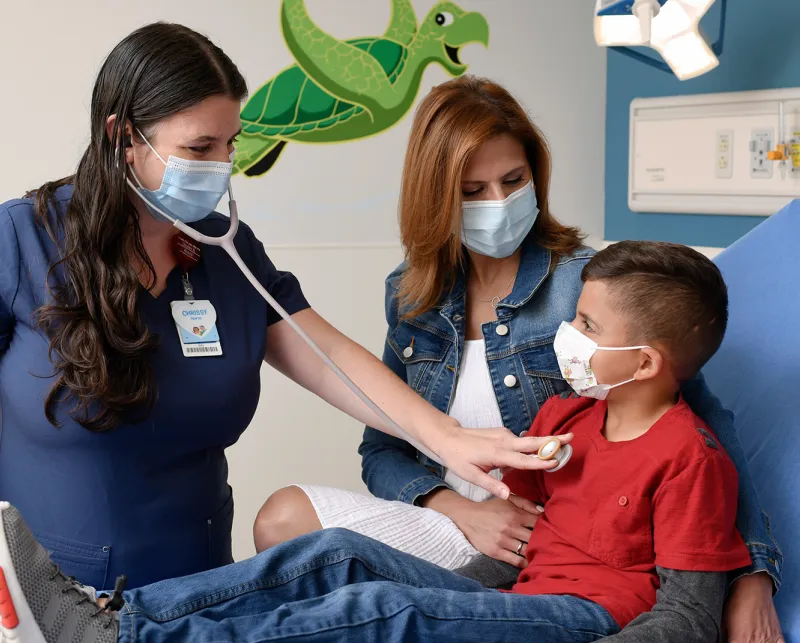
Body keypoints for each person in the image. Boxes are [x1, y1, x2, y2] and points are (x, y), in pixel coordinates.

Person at [2, 240, 792, 643]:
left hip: (591, 618)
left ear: (648, 362)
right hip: (519, 591)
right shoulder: (569, 416)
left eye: (586, 325)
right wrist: (471, 576)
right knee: (342, 556)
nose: (568, 338)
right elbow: (522, 538)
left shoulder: (690, 457)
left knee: (388, 614)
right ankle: (114, 621)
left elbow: (688, 620)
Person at [0, 22, 566, 598]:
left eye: (230, 144)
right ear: (122, 136)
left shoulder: (225, 251)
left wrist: (448, 439)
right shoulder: (20, 242)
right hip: (47, 596)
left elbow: (328, 357)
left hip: (198, 589)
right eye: (200, 148)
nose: (222, 166)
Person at [254, 76, 786, 643]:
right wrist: (454, 504)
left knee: (373, 607)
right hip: (454, 522)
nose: (500, 202)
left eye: (514, 181)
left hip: (538, 539)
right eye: (473, 190)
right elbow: (382, 448)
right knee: (284, 522)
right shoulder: (412, 295)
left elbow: (703, 433)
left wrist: (753, 577)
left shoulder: (584, 287)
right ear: (437, 198)